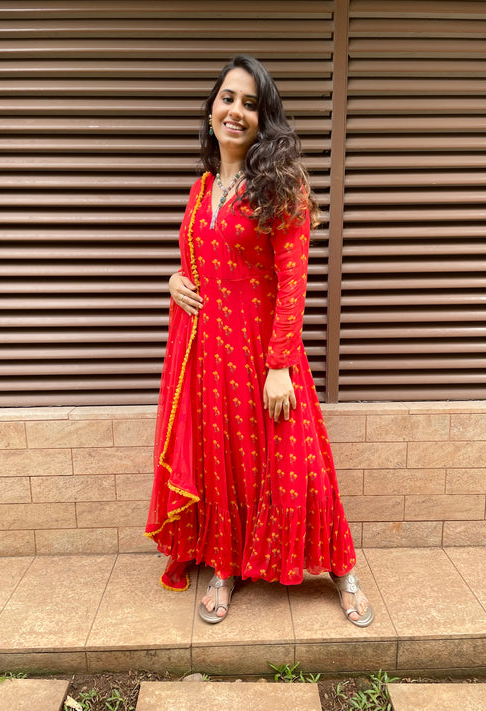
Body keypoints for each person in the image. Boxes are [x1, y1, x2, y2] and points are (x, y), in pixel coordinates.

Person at [145, 55, 373, 627]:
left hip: (266, 354)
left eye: (250, 103)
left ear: (263, 117)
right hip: (210, 358)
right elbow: (196, 262)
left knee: (301, 464)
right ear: (211, 108)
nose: (236, 111)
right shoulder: (202, 189)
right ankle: (225, 565)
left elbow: (294, 283)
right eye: (228, 98)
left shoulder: (282, 184)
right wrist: (173, 280)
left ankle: (342, 569)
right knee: (224, 464)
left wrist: (279, 368)